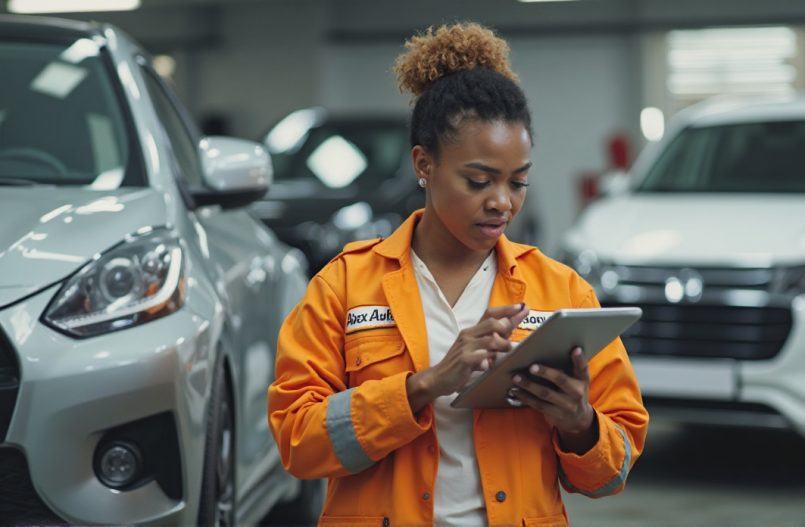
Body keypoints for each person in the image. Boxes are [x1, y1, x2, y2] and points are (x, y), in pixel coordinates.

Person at [268, 22, 648, 526]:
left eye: (518, 182)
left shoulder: (561, 291)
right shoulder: (343, 286)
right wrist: (423, 386)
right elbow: (299, 444)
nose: (501, 202)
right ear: (423, 165)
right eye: (478, 180)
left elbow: (612, 472)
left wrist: (578, 421)